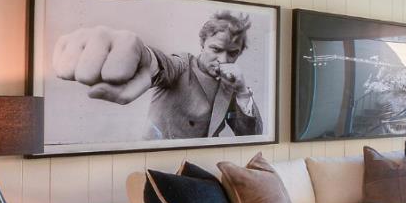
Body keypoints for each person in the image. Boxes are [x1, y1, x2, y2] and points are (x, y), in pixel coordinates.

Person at [52, 10, 264, 140]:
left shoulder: (231, 85)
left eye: (233, 53)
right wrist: (143, 56)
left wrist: (243, 90)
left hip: (201, 167)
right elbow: (162, 64)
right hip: (159, 163)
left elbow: (251, 136)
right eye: (216, 50)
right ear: (202, 45)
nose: (224, 60)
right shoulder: (182, 65)